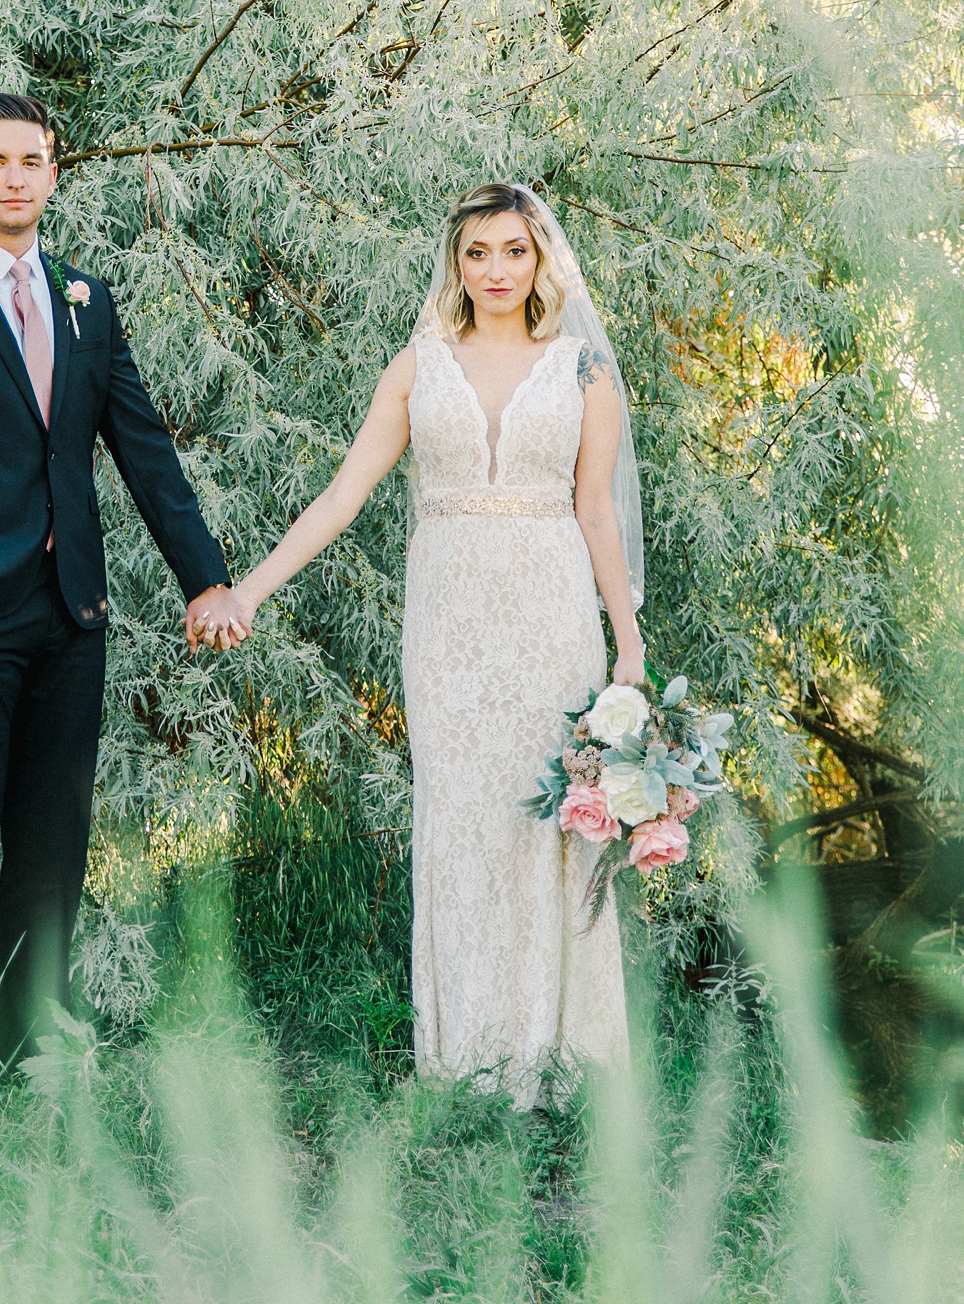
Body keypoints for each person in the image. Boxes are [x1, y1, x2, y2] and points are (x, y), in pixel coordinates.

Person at [191, 182, 644, 1103]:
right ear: (456, 263)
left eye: (515, 250)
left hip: (551, 621)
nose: (497, 271)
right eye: (478, 253)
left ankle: (559, 1061)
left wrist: (629, 650)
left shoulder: (584, 372)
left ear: (541, 258)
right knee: (462, 823)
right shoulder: (419, 366)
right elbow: (341, 497)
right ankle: (466, 1061)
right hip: (447, 629)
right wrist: (248, 591)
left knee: (544, 825)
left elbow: (598, 513)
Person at [0, 93, 236, 1094]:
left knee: (51, 849)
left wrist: (208, 577)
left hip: (72, 617)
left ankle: (29, 1053)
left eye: (33, 161)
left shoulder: (86, 303)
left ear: (54, 175)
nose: (15, 177)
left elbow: (143, 450)